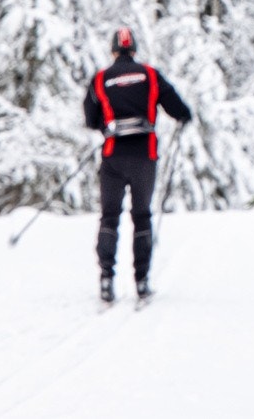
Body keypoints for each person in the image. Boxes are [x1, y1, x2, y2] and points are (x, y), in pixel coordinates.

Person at [83, 26, 192, 303]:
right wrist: (184, 117)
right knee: (141, 215)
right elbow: (178, 109)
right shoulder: (151, 75)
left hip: (113, 155)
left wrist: (107, 128)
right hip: (145, 156)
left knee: (110, 216)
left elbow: (90, 117)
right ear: (134, 50)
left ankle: (106, 279)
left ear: (113, 50)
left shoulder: (100, 79)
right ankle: (141, 281)